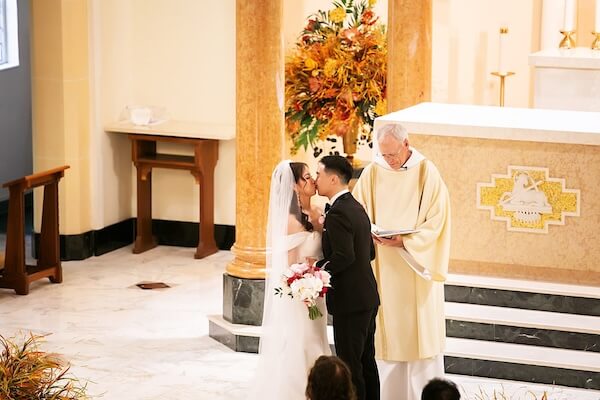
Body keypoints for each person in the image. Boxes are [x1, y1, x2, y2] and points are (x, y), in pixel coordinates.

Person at [352, 122, 451, 400]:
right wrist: (368, 230)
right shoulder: (373, 171)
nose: (389, 161)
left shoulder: (426, 172)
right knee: (387, 333)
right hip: (382, 262)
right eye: (384, 155)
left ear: (406, 145)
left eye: (393, 154)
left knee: (417, 331)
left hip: (415, 264)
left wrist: (406, 241)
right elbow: (358, 210)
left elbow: (438, 220)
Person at [251, 160, 330, 400]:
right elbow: (290, 268)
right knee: (305, 341)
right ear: (294, 186)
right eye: (306, 177)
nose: (313, 180)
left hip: (317, 290)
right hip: (302, 294)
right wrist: (305, 285)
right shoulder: (290, 221)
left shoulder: (318, 212)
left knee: (319, 337)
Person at [314, 155, 380, 400]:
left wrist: (317, 266)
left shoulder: (339, 213)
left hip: (350, 301)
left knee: (350, 366)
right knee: (366, 362)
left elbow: (344, 256)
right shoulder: (355, 206)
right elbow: (369, 253)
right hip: (367, 296)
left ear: (333, 178)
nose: (316, 179)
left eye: (318, 174)